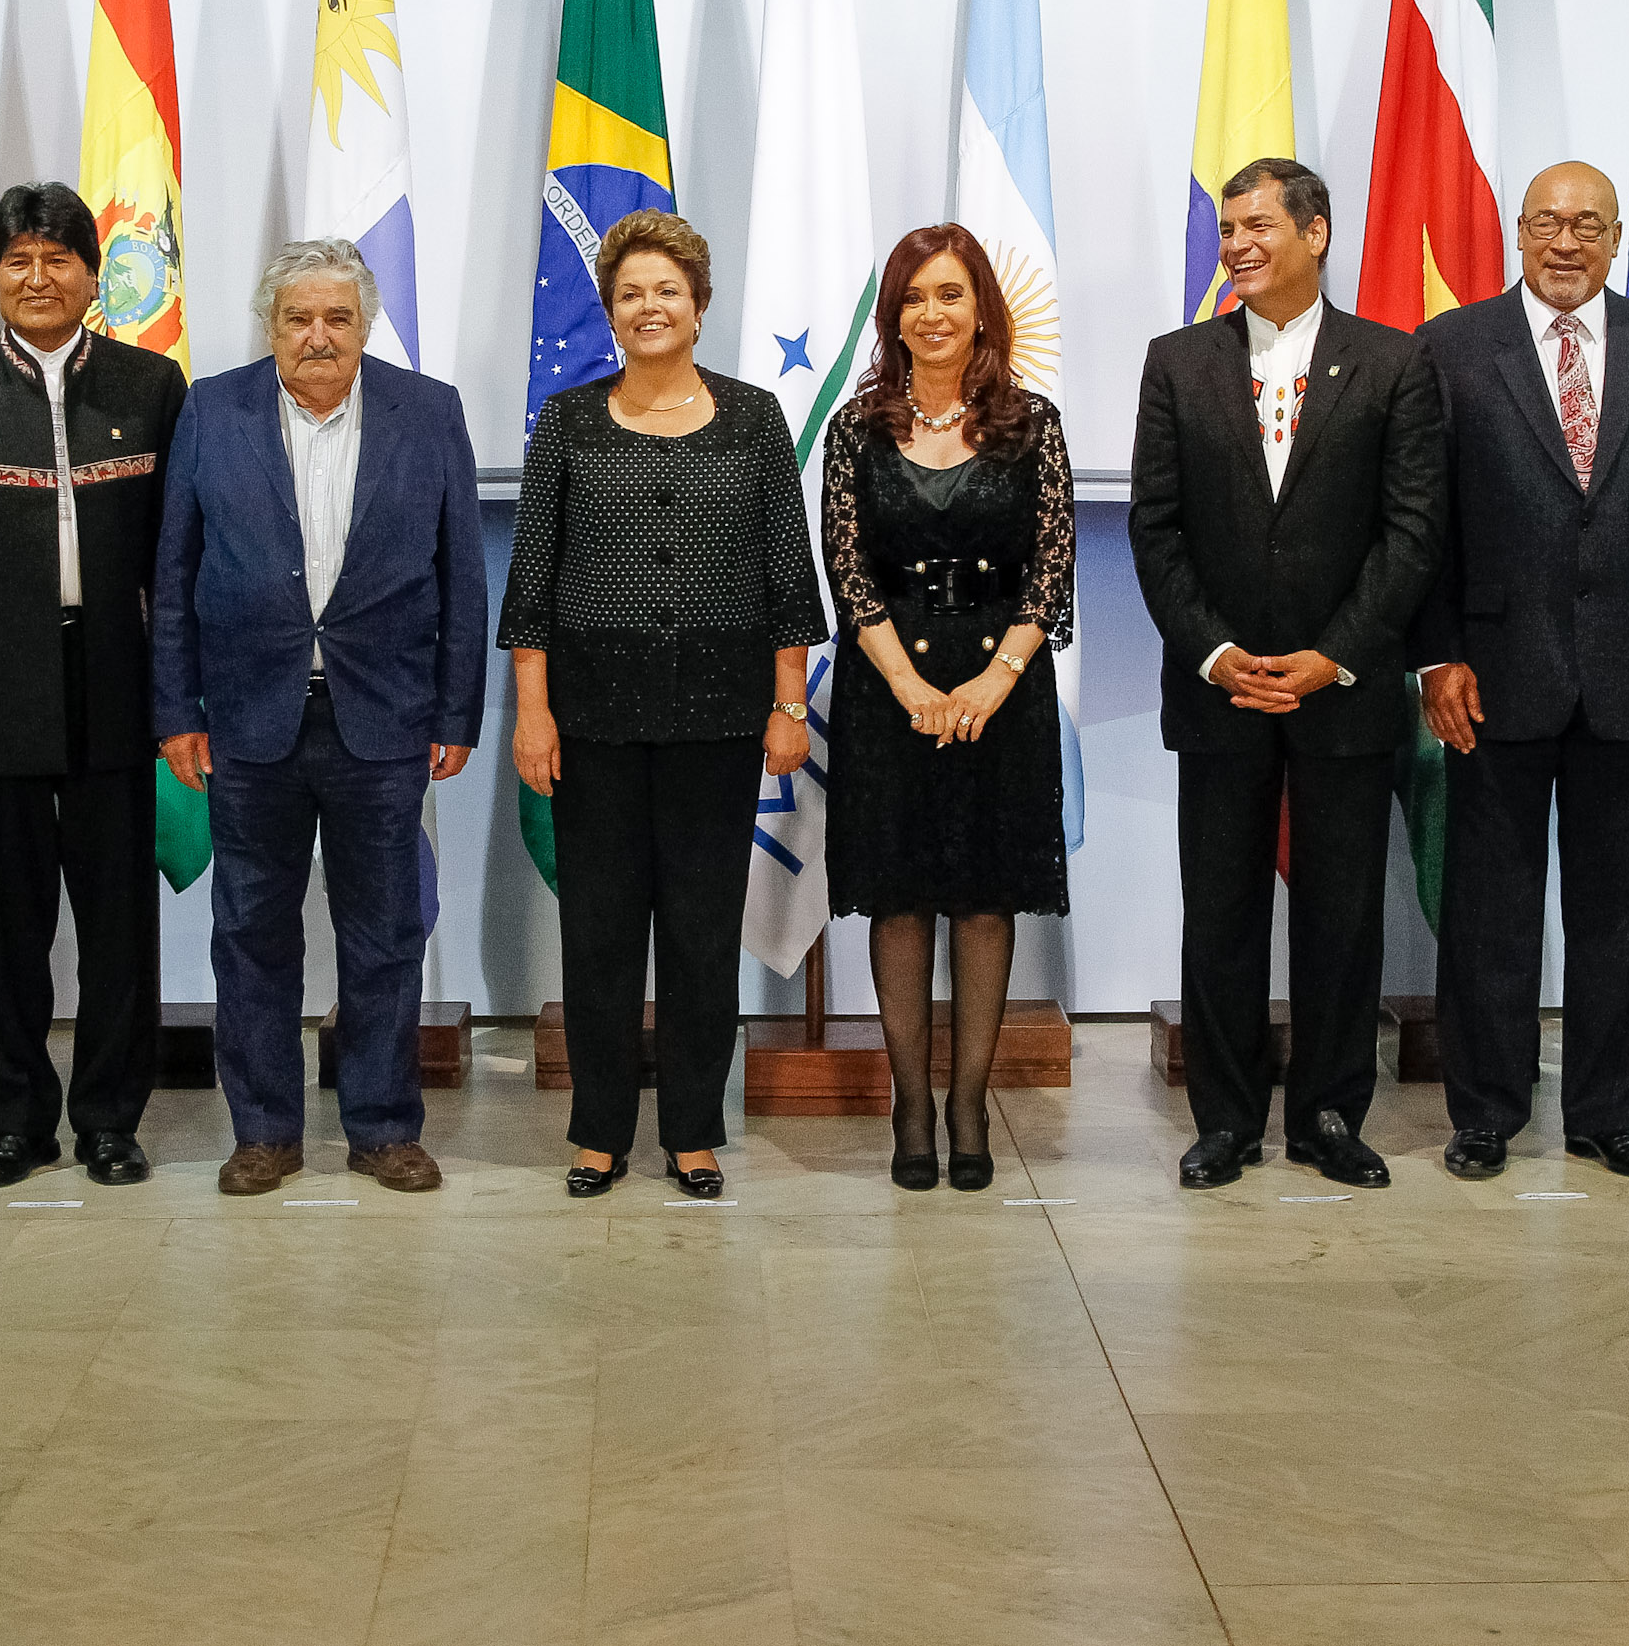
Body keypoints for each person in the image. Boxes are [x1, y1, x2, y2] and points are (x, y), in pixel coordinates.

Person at [1133, 158, 1444, 1193]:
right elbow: (1156, 530)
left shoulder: (1394, 362)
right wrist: (1215, 653)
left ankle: (1327, 1115)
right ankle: (1225, 1121)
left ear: (1316, 233)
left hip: (1343, 691)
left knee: (1341, 918)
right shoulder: (1176, 362)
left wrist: (1335, 655)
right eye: (1228, 230)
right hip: (1218, 691)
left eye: (1258, 225)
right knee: (1220, 915)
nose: (1237, 245)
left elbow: (1411, 532)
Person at [154, 239, 487, 1197]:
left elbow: (462, 575)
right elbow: (174, 572)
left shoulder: (429, 411)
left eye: (338, 317)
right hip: (247, 718)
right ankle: (263, 1131)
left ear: (366, 325)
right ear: (271, 327)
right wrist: (176, 708)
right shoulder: (213, 409)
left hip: (382, 718)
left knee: (384, 936)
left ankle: (383, 1129)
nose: (318, 335)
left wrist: (457, 710)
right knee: (251, 934)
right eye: (298, 317)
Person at [503, 209, 823, 1200]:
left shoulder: (753, 417)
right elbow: (530, 588)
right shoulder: (566, 421)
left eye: (668, 290)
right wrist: (532, 713)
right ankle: (599, 1133)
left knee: (699, 933)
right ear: (609, 310)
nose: (650, 306)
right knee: (599, 935)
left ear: (699, 304)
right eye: (631, 292)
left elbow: (788, 578)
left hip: (719, 721)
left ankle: (691, 1131)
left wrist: (788, 707)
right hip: (590, 722)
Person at [1411, 163, 1629, 1183]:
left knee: (1616, 914)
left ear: (1617, 238)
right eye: (1546, 220)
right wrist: (1436, 654)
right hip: (1491, 676)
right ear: (1517, 230)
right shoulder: (1453, 346)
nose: (1565, 241)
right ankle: (1485, 1114)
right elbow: (1423, 523)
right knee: (1488, 913)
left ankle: (1605, 1114)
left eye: (1588, 223)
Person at [0, 182, 188, 1190]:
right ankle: (15, 1121)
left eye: (58, 258)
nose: (38, 277)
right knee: (2, 926)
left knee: (118, 927)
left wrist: (174, 691)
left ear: (93, 276)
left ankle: (109, 1120)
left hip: (119, 680)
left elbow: (179, 554)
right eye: (18, 260)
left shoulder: (152, 384)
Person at [819, 224, 1074, 1193]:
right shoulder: (855, 427)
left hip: (1002, 690)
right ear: (893, 315)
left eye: (951, 294)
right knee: (898, 897)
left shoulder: (1032, 422)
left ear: (981, 311)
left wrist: (992, 681)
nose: (932, 313)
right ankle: (911, 1104)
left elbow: (1049, 566)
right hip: (889, 691)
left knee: (982, 894)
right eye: (915, 297)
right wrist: (911, 687)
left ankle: (967, 1102)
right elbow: (847, 570)